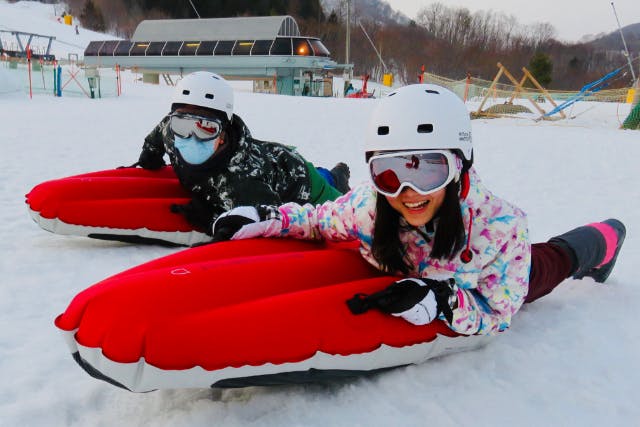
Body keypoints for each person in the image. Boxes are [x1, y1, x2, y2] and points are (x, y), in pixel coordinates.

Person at [209, 83, 626, 336]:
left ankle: (606, 238)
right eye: (388, 173)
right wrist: (267, 216)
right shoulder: (370, 209)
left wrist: (444, 301)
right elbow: (318, 219)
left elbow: (498, 311)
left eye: (427, 169)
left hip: (495, 271)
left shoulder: (502, 227)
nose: (408, 192)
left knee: (551, 261)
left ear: (460, 165)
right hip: (428, 264)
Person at [134, 71, 351, 235]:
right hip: (269, 157)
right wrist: (150, 154)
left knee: (337, 205)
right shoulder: (172, 133)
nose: (191, 136)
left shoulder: (242, 183)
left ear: (223, 134)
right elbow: (160, 132)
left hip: (300, 180)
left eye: (207, 128)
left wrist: (210, 219)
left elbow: (269, 220)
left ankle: (336, 178)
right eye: (182, 123)